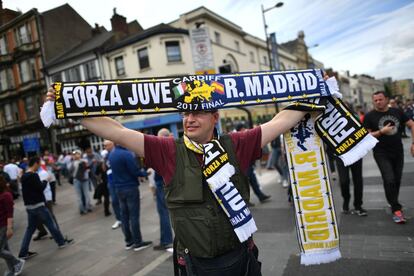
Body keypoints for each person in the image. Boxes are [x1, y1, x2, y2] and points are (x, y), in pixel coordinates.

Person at [46, 86, 308, 276]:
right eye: (185, 113)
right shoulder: (168, 150)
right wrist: (67, 105)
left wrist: (313, 93)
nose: (189, 119)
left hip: (239, 261)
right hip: (195, 265)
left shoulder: (236, 144)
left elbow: (280, 122)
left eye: (198, 113)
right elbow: (118, 131)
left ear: (215, 117)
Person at [364, 91, 414, 224]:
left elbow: (412, 124)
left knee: (396, 180)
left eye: (380, 99)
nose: (378, 102)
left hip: (398, 152)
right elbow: (367, 137)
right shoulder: (369, 116)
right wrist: (381, 132)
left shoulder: (397, 112)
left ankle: (393, 202)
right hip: (381, 152)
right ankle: (396, 209)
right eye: (375, 100)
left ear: (386, 99)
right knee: (389, 178)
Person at [18, 157, 73, 260]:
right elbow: (40, 188)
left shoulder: (24, 176)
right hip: (38, 206)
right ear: (35, 163)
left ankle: (23, 252)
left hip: (29, 207)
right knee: (51, 224)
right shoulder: (33, 175)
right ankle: (61, 242)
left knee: (29, 230)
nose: (39, 166)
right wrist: (45, 181)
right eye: (39, 164)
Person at [107, 143, 151, 251]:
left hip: (119, 188)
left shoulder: (112, 154)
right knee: (133, 216)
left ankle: (129, 241)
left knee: (124, 216)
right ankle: (138, 242)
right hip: (130, 187)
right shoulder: (126, 154)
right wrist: (146, 173)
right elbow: (134, 171)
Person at [152, 128, 174, 251]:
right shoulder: (173, 145)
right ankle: (166, 240)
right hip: (169, 183)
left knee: (164, 213)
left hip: (162, 184)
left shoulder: (161, 148)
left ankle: (167, 240)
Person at [0, 176, 25, 276]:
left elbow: (10, 213)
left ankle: (17, 262)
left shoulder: (6, 195)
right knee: (5, 249)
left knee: (1, 250)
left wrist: (9, 228)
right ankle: (12, 270)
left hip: (3, 225)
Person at [103, 140, 122, 229]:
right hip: (110, 181)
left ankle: (124, 217)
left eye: (107, 145)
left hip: (119, 180)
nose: (105, 147)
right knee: (114, 201)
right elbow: (104, 168)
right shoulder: (106, 155)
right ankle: (119, 219)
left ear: (112, 144)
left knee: (121, 200)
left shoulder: (117, 153)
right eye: (104, 146)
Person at [69, 150, 93, 215]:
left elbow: (70, 171)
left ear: (80, 154)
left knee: (80, 195)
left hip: (78, 180)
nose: (75, 155)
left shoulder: (75, 162)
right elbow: (88, 169)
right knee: (85, 194)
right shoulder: (84, 161)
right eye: (74, 154)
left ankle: (83, 209)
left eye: (77, 154)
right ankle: (87, 207)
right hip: (83, 179)